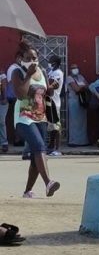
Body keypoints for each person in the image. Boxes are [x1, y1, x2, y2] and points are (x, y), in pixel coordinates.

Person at [11, 40, 60, 198]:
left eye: (34, 57)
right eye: (28, 57)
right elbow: (20, 94)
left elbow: (46, 93)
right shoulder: (18, 72)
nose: (31, 60)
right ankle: (48, 183)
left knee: (35, 156)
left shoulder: (43, 71)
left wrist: (52, 87)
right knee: (39, 146)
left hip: (40, 117)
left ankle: (27, 191)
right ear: (22, 58)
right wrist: (28, 75)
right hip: (23, 118)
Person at [66, 64, 90, 146]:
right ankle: (73, 141)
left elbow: (87, 86)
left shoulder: (81, 77)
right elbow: (76, 89)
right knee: (74, 121)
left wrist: (81, 86)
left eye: (76, 67)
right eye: (73, 68)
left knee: (82, 121)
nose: (75, 69)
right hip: (74, 101)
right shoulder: (69, 78)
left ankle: (83, 141)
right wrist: (82, 86)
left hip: (82, 101)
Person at [46, 55, 64, 156]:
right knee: (51, 126)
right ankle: (50, 146)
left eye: (50, 61)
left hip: (54, 102)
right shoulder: (50, 72)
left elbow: (52, 84)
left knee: (56, 126)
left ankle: (57, 149)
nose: (49, 62)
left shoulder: (58, 73)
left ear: (55, 63)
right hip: (48, 101)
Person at [0, 69, 8, 152]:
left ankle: (4, 143)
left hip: (1, 101)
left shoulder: (2, 74)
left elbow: (4, 87)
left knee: (1, 121)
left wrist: (4, 98)